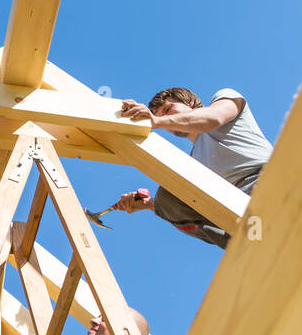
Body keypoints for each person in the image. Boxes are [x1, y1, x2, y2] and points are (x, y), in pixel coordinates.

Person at [114, 86, 273, 248]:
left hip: (266, 182)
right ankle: (248, 247)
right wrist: (150, 204)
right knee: (167, 199)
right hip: (239, 213)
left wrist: (157, 121)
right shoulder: (192, 164)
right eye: (161, 115)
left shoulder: (225, 98)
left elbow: (214, 118)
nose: (167, 118)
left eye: (169, 108)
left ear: (190, 103)